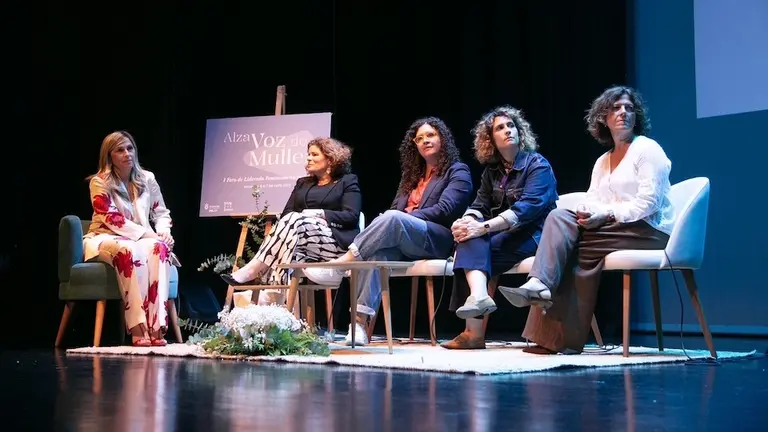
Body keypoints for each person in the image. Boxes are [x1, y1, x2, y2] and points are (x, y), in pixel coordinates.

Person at [499, 85, 675, 355]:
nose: (623, 113)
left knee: (573, 250)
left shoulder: (647, 150)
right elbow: (593, 198)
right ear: (604, 117)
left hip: (648, 229)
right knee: (560, 218)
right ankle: (539, 288)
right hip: (614, 229)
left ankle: (557, 335)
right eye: (616, 108)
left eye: (629, 108)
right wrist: (588, 212)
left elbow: (648, 203)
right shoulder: (603, 161)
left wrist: (606, 215)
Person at [304, 117, 473, 346]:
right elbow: (395, 208)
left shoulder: (458, 171)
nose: (425, 141)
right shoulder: (411, 176)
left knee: (391, 218)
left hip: (436, 239)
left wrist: (402, 219)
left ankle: (343, 263)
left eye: (430, 135)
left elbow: (445, 210)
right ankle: (359, 326)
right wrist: (395, 218)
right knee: (376, 256)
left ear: (442, 138)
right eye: (419, 138)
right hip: (403, 240)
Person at [441, 106, 559, 350]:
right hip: (507, 235)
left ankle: (473, 331)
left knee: (474, 249)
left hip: (536, 236)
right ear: (490, 139)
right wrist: (465, 221)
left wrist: (482, 228)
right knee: (468, 238)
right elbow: (479, 205)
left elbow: (525, 210)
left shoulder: (537, 165)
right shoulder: (491, 172)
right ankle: (480, 299)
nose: (507, 131)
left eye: (511, 126)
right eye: (500, 128)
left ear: (519, 132)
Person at [220, 137, 362, 306]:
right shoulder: (303, 183)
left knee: (295, 221)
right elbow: (287, 214)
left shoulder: (347, 181)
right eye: (308, 154)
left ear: (330, 159)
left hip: (334, 245)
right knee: (291, 227)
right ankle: (278, 309)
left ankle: (258, 276)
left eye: (314, 154)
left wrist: (322, 215)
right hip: (300, 242)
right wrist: (305, 220)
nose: (308, 158)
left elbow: (352, 217)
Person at [83, 131, 180, 347]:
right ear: (109, 156)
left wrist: (164, 233)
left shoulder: (147, 178)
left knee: (158, 248)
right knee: (129, 250)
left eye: (130, 148)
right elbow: (112, 219)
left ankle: (156, 327)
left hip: (142, 238)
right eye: (120, 150)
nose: (127, 153)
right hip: (105, 237)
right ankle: (137, 326)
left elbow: (161, 212)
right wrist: (149, 234)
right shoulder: (99, 182)